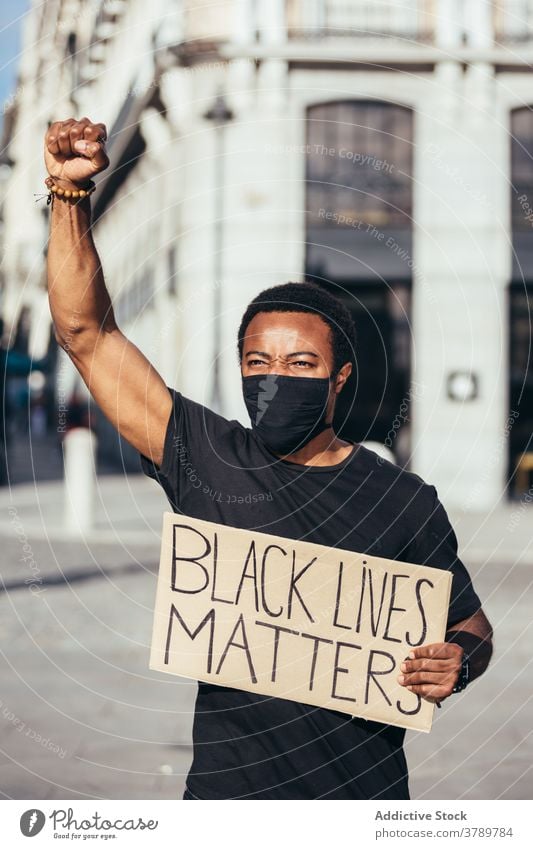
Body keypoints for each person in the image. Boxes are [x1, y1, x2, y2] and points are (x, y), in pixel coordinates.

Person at [44, 118, 493, 800]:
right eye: (258, 361)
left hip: (361, 805)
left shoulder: (402, 500)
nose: (274, 377)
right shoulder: (204, 455)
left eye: (300, 362)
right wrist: (69, 198)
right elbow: (87, 332)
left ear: (339, 378)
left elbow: (468, 620)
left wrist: (457, 660)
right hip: (227, 807)